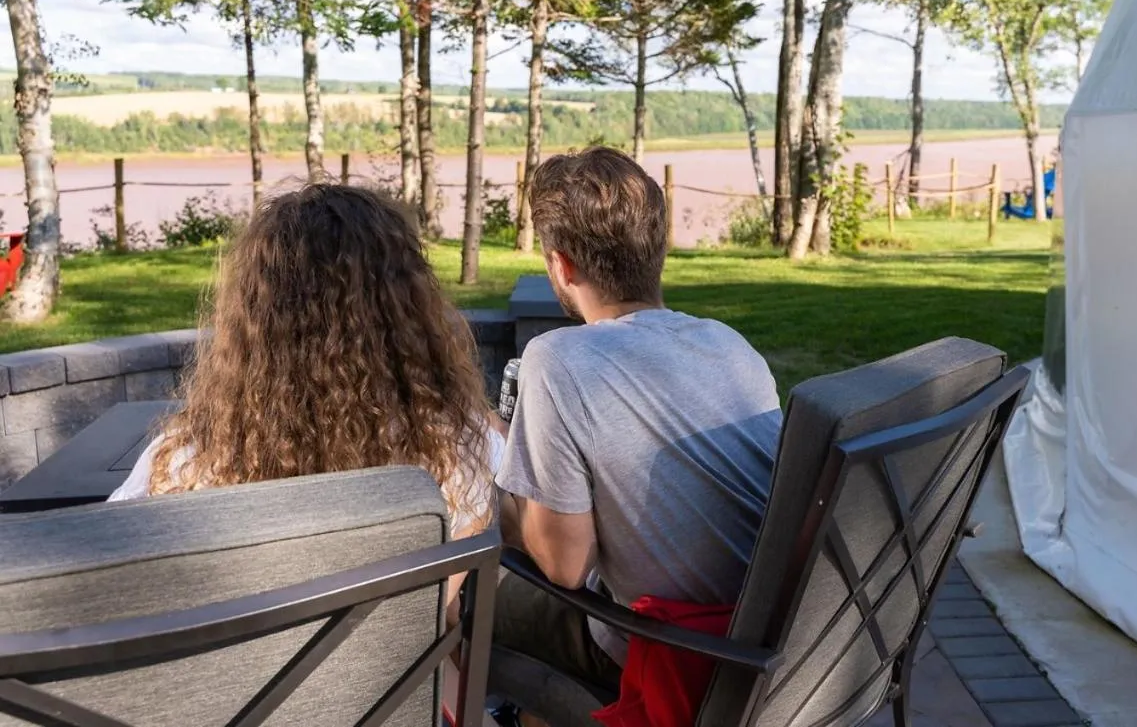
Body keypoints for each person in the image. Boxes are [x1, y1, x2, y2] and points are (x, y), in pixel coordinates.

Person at [110, 183, 502, 605]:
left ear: (253, 317)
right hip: (398, 672)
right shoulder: (460, 451)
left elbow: (105, 574)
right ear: (408, 310)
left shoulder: (182, 463)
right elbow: (444, 609)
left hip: (246, 672)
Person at [494, 147, 782, 698]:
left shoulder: (557, 360)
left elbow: (564, 567)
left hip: (673, 653)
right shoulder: (729, 344)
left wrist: (505, 490)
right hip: (772, 648)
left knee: (470, 602)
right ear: (659, 250)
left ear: (560, 265)